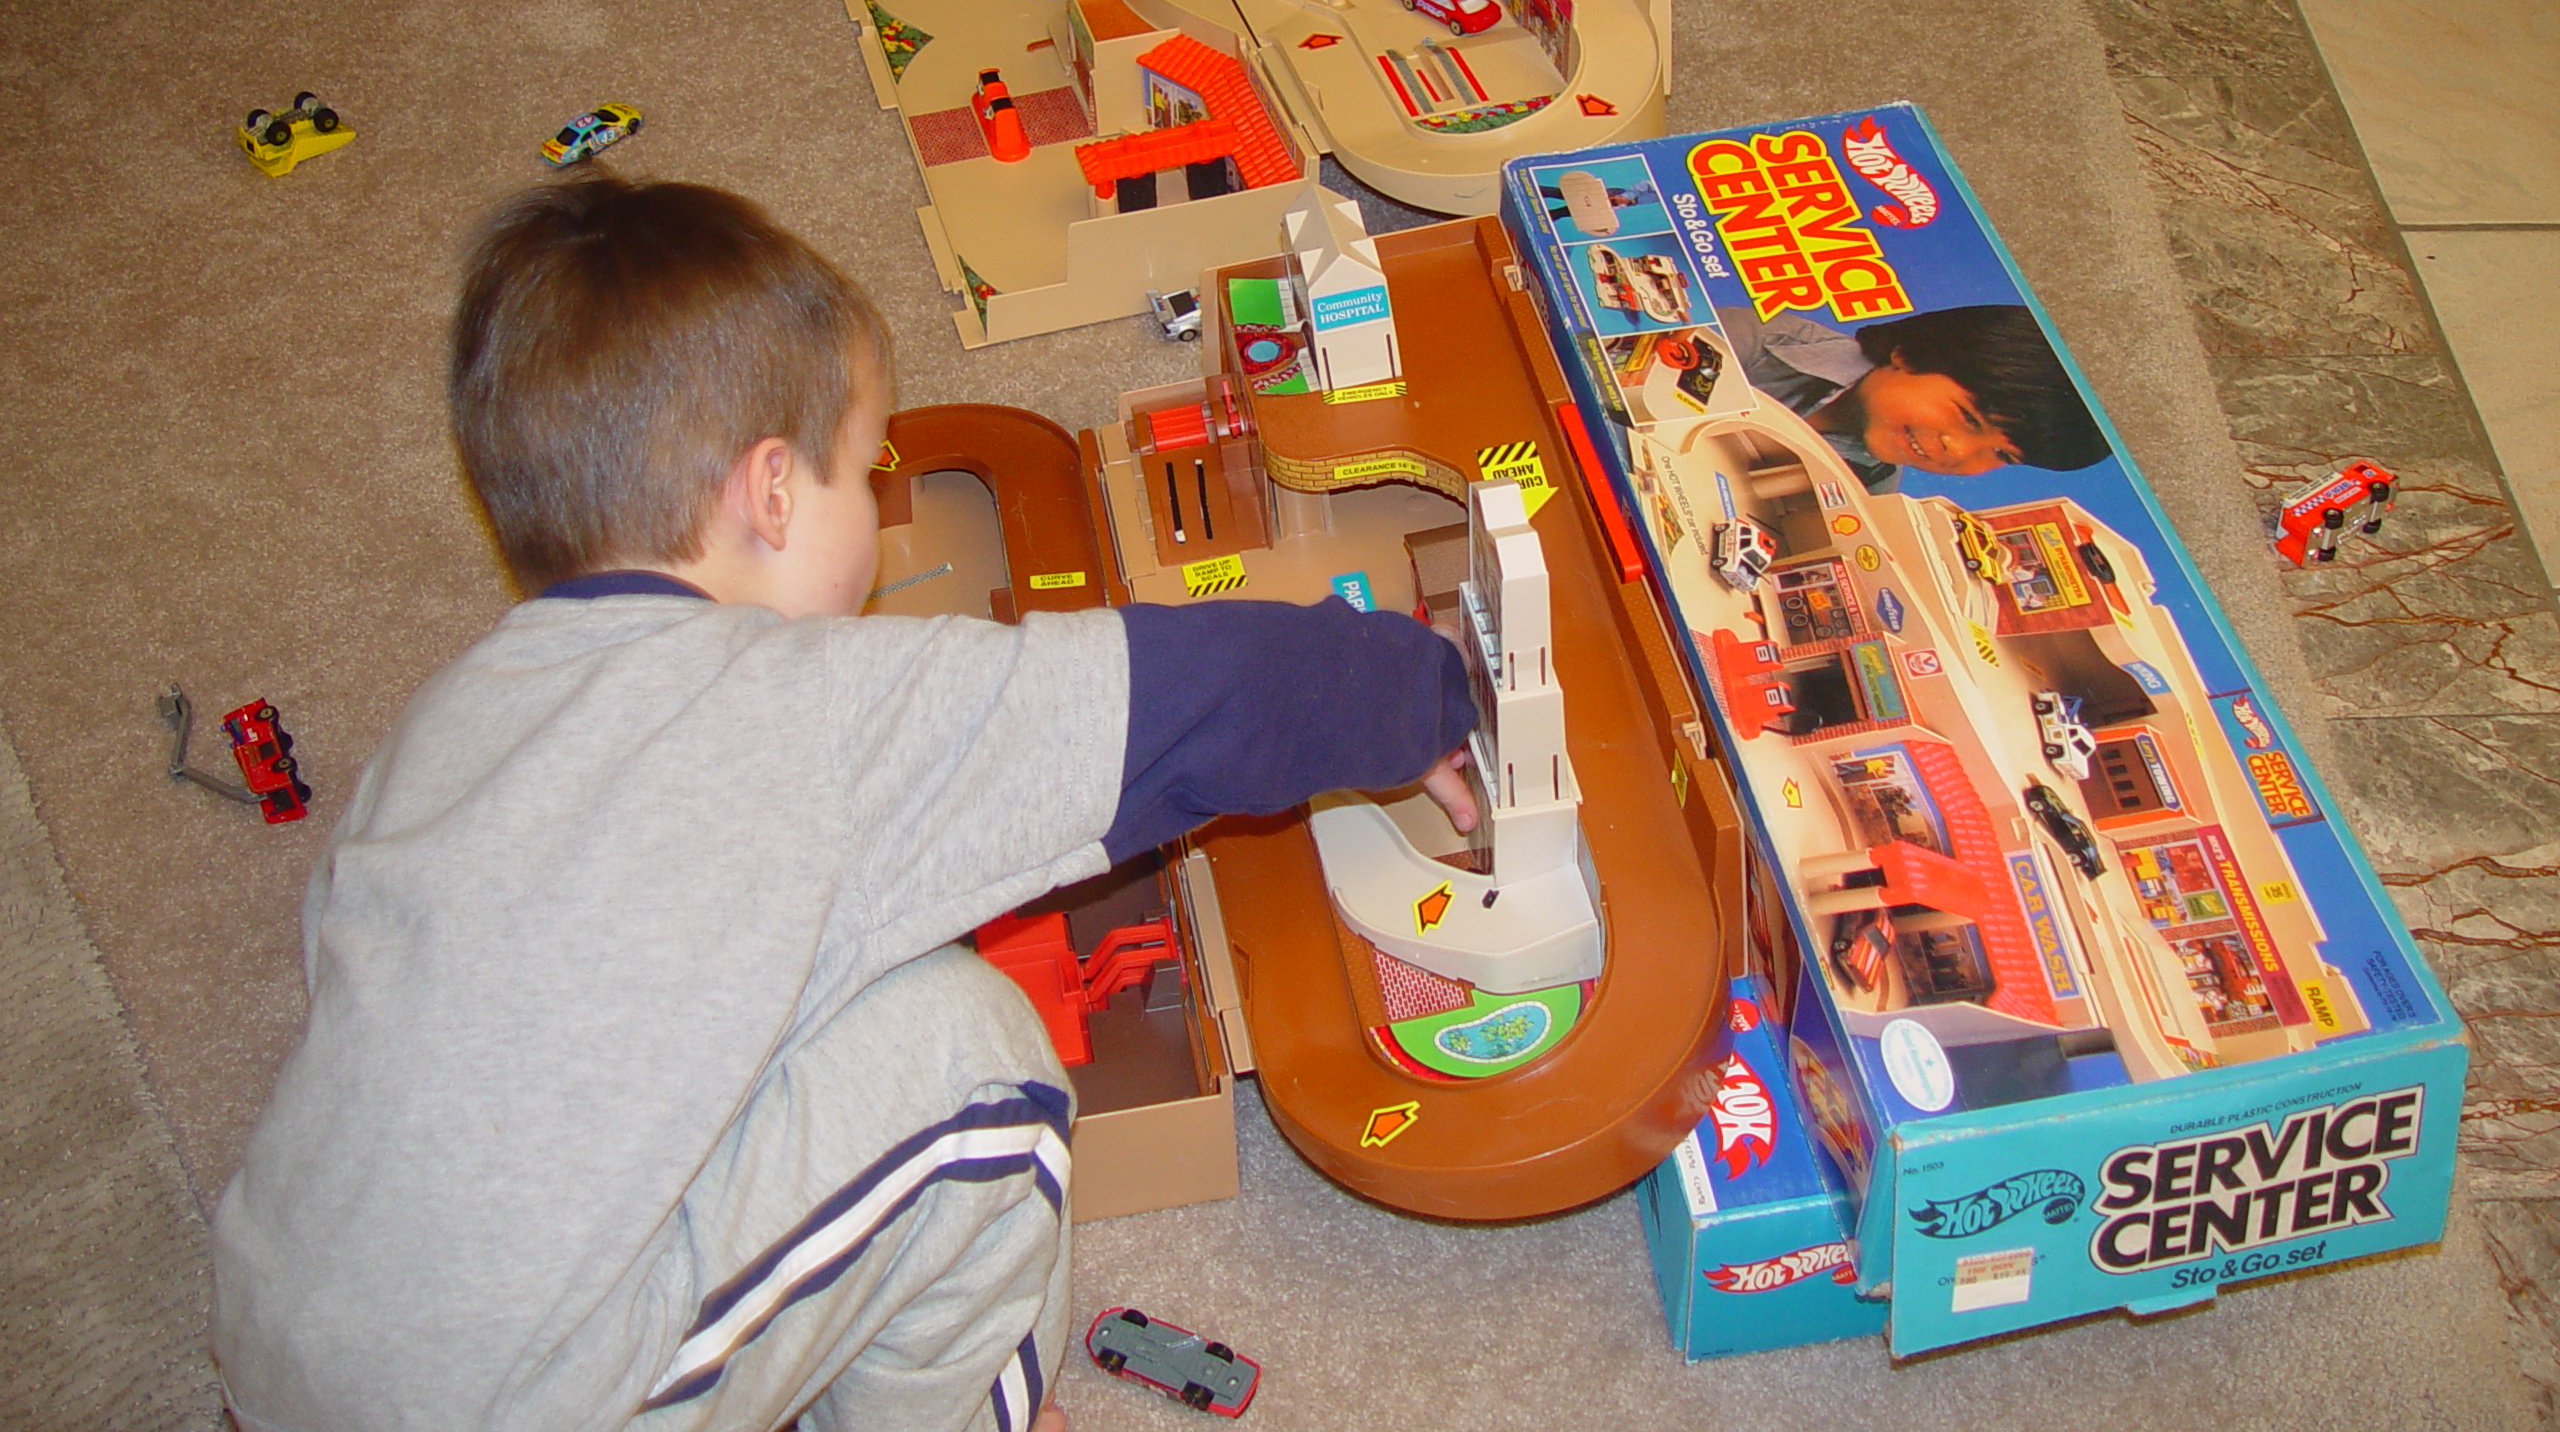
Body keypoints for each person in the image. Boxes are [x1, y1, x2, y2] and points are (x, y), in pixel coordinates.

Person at [209, 171, 1478, 1432]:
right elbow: (1192, 703)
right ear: (768, 493)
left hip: (279, 1336)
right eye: (864, 476)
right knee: (969, 1061)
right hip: (519, 1400)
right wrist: (1419, 694)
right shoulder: (801, 713)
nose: (879, 509)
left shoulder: (450, 720)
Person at [1718, 303, 2108, 494]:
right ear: (1910, 354)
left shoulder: (1867, 491)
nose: (1956, 451)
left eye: (2003, 456)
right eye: (1970, 419)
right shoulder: (1761, 340)